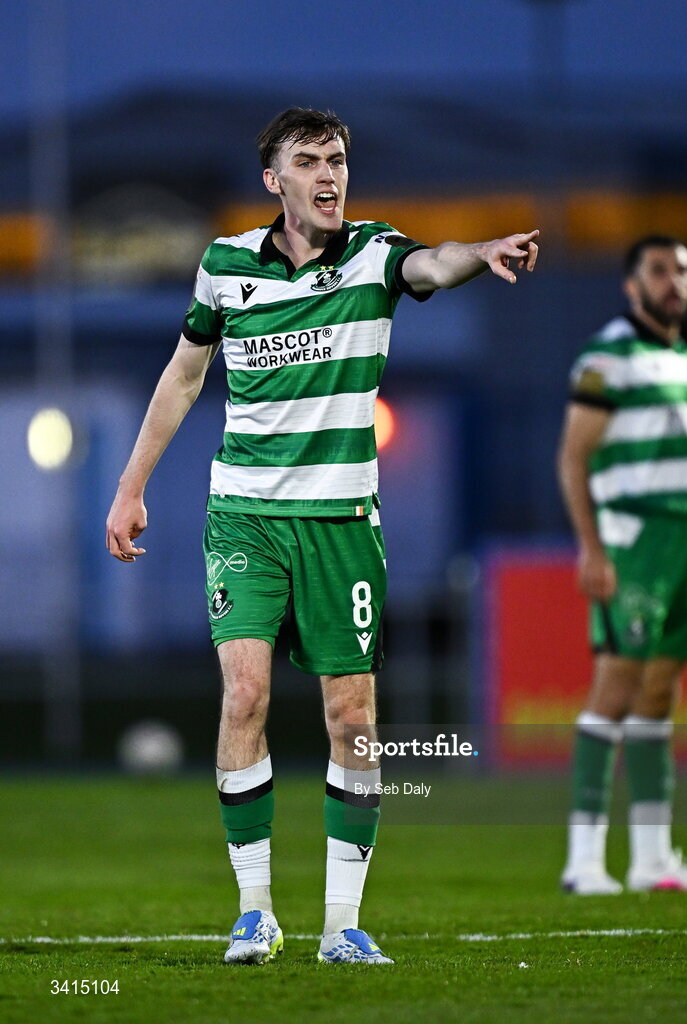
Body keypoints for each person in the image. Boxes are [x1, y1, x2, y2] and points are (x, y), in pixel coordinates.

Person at [106, 107, 539, 963]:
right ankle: (255, 911)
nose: (329, 175)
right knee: (245, 697)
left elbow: (430, 262)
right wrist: (131, 485)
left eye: (337, 159)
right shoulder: (226, 266)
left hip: (341, 521)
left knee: (353, 717)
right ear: (275, 180)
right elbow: (185, 372)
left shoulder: (374, 254)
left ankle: (342, 925)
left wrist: (478, 257)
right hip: (246, 518)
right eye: (309, 162)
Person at [557, 234, 687, 895]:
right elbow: (572, 458)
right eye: (659, 270)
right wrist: (591, 546)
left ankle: (652, 860)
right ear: (631, 284)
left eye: (684, 270)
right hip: (632, 538)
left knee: (660, 693)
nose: (674, 281)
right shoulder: (607, 357)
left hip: (684, 542)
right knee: (616, 687)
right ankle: (583, 861)